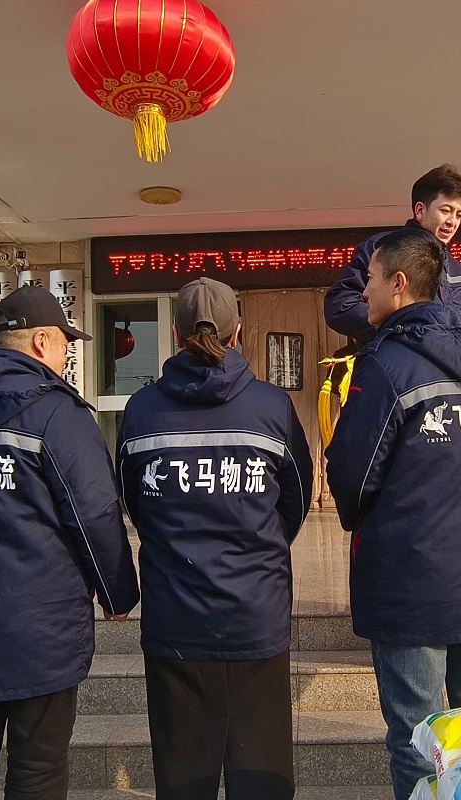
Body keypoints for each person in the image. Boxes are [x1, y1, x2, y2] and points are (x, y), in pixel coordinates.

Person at [0, 285, 140, 800]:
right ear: (41, 342)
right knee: (37, 765)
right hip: (42, 627)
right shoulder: (57, 414)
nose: (67, 354)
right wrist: (117, 592)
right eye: (66, 342)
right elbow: (94, 512)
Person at [323, 227, 461, 799]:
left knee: (417, 739)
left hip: (412, 580)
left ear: (399, 284)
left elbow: (352, 473)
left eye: (371, 279)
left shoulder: (385, 365)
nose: (364, 291)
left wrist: (357, 515)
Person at [117, 278, 314, 800]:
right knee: (263, 781)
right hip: (256, 617)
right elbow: (295, 501)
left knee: (182, 780)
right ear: (239, 332)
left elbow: (136, 503)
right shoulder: (271, 406)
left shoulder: (142, 410)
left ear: (175, 334)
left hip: (175, 621)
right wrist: (259, 548)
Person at [324, 164, 461, 345]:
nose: (452, 221)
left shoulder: (456, 268)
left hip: (445, 367)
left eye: (458, 215)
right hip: (394, 366)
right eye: (445, 210)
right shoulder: (382, 248)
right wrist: (398, 331)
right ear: (420, 211)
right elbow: (340, 305)